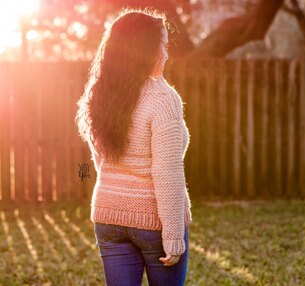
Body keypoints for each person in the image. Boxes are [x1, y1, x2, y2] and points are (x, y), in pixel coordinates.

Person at [75, 7, 192, 286]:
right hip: (153, 222)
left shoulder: (99, 93)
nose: (166, 54)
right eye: (162, 45)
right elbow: (167, 172)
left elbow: (100, 158)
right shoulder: (163, 99)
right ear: (145, 49)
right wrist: (174, 236)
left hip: (108, 216)